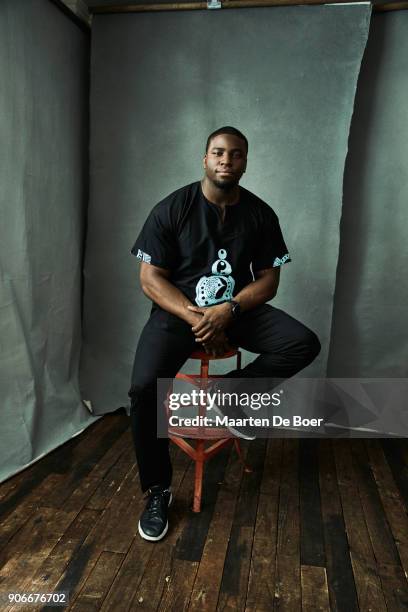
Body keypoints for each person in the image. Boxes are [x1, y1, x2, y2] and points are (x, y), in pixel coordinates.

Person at [128, 126, 320, 541]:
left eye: (235, 155)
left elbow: (268, 282)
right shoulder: (172, 208)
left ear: (245, 162)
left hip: (236, 310)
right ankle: (157, 491)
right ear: (204, 158)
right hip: (180, 312)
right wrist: (198, 317)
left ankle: (226, 392)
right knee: (144, 388)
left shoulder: (260, 213)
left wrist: (228, 310)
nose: (226, 161)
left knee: (303, 343)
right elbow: (150, 279)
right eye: (218, 152)